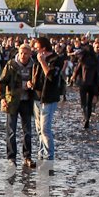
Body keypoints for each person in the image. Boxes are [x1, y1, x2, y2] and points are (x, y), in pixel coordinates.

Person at [0, 42, 36, 167]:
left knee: (27, 131)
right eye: (21, 53)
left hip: (27, 101)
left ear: (30, 54)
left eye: (26, 53)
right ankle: (11, 157)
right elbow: (2, 82)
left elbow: (39, 81)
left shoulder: (34, 66)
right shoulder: (11, 65)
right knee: (11, 131)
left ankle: (27, 156)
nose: (23, 56)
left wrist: (33, 85)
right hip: (12, 100)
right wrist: (1, 98)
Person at [30, 37, 65, 166]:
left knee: (45, 129)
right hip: (37, 96)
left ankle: (49, 156)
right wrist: (31, 82)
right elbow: (35, 75)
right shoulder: (36, 59)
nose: (35, 49)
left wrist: (43, 62)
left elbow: (50, 76)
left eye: (37, 47)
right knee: (39, 129)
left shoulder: (56, 59)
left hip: (49, 97)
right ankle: (41, 153)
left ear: (43, 48)